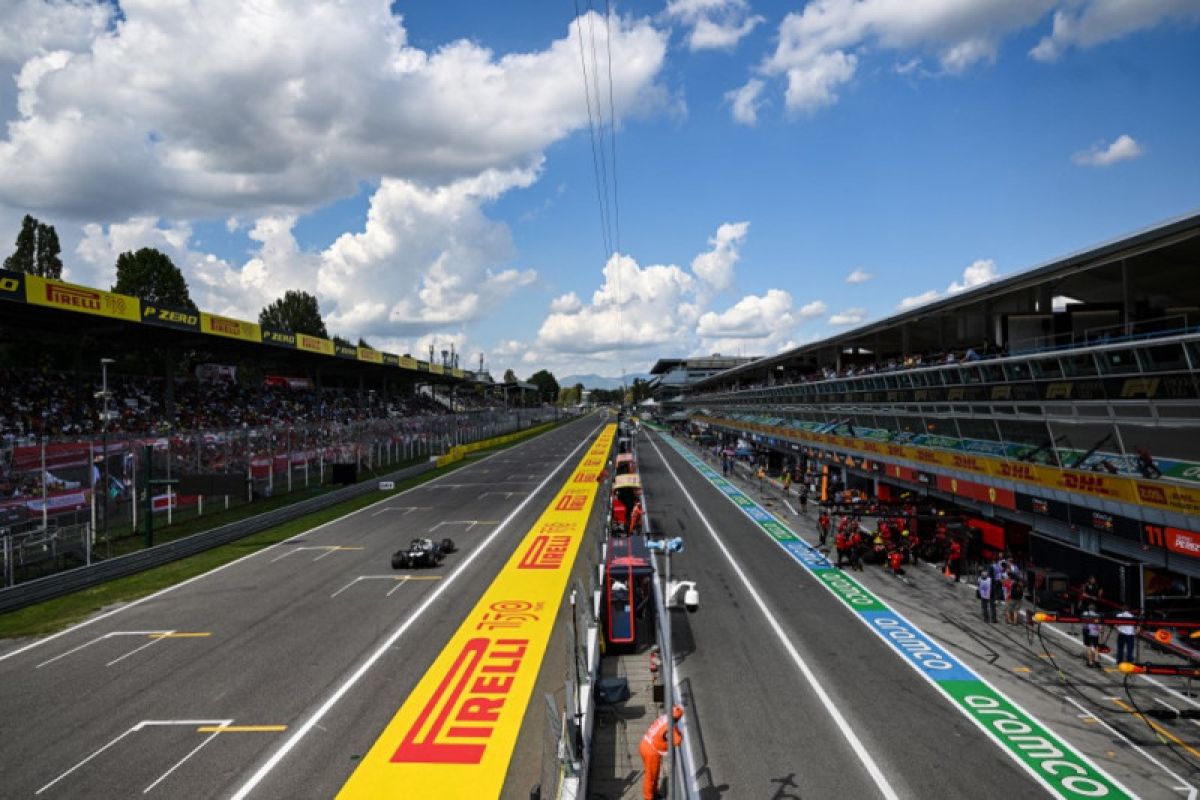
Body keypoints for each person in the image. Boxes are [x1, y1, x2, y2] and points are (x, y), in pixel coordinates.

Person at [640, 705, 684, 800]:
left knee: (654, 774)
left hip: (646, 744)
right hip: (651, 751)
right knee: (651, 776)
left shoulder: (665, 718)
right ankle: (649, 797)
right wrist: (679, 733)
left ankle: (654, 793)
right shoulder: (670, 726)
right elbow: (677, 740)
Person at [1082, 603, 1102, 668]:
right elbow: (1100, 626)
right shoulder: (1097, 615)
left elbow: (1083, 621)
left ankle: (1090, 662)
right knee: (1096, 647)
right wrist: (1100, 633)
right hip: (1095, 633)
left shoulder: (1085, 613)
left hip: (1088, 633)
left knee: (1089, 647)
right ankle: (1096, 660)